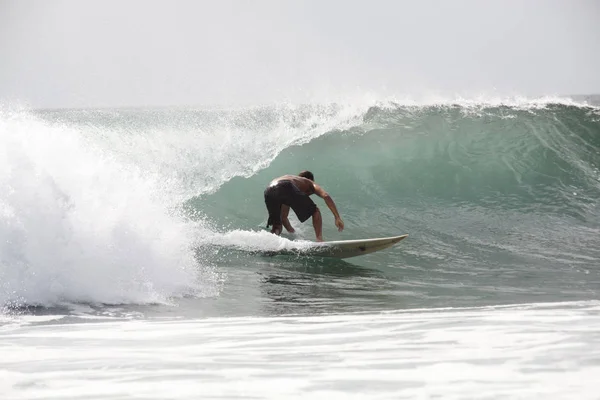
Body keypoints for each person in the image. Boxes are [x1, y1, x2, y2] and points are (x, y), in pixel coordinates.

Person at [264, 170, 344, 242]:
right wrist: (337, 217)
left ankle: (270, 244)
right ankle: (319, 240)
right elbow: (326, 196)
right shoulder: (309, 182)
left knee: (277, 226)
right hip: (286, 185)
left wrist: (292, 232)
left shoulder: (291, 181)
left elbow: (284, 217)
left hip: (269, 189)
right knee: (315, 211)